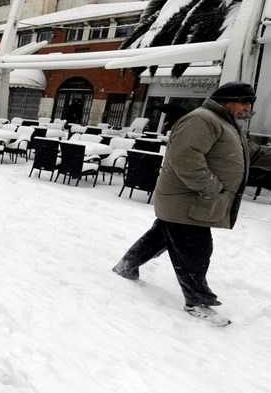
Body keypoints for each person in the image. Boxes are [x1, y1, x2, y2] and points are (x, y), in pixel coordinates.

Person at [112, 81, 271, 326]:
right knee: (196, 251)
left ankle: (127, 265)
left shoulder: (226, 124)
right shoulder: (202, 120)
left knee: (162, 235)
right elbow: (185, 158)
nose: (247, 109)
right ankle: (197, 301)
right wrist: (211, 189)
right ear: (227, 100)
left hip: (187, 202)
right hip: (188, 200)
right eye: (244, 102)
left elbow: (252, 153)